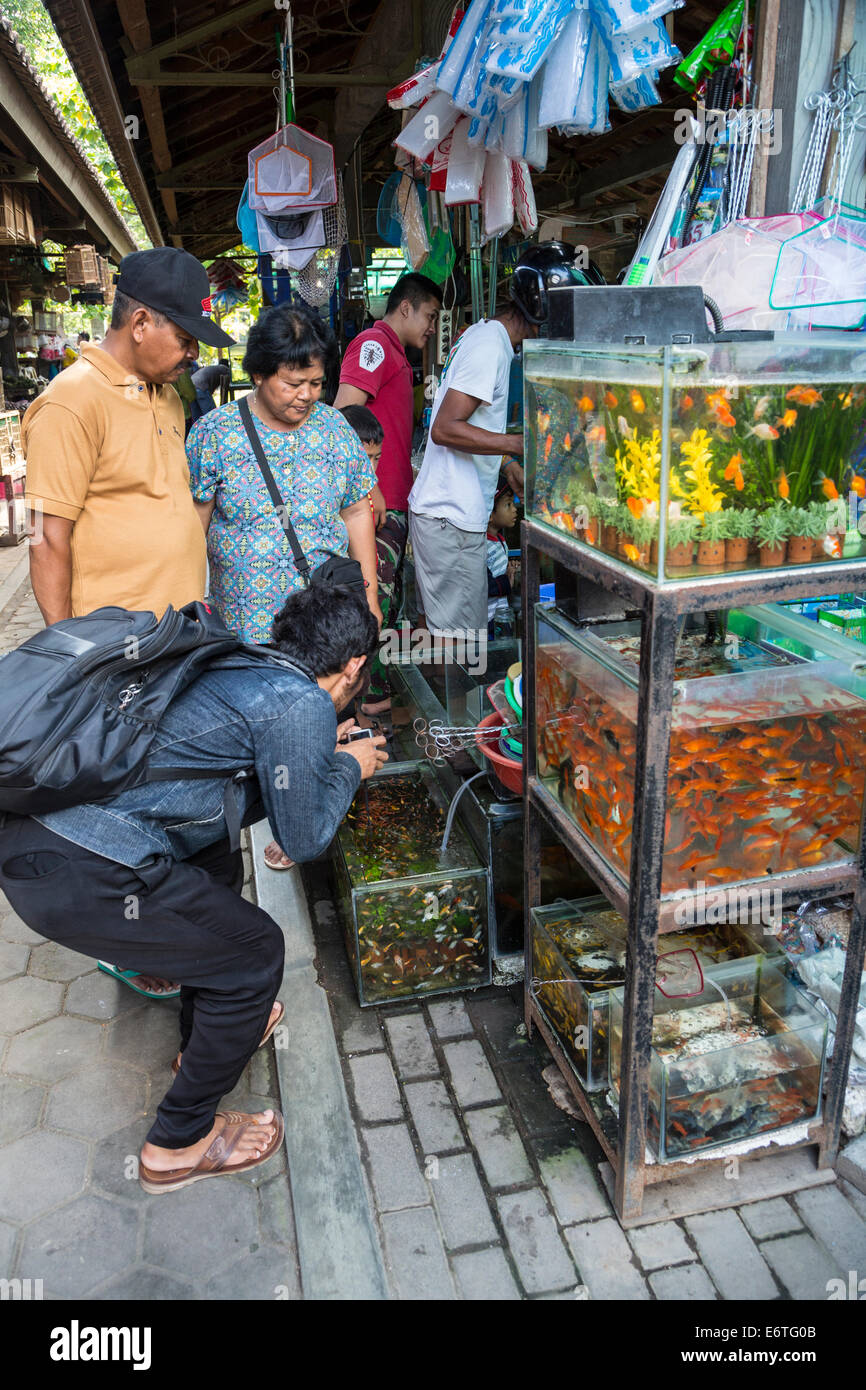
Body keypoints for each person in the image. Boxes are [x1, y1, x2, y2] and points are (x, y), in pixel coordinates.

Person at [0, 584, 387, 1194]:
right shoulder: (300, 705)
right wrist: (348, 766)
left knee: (218, 876)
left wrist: (318, 753)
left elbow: (231, 772)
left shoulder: (239, 663)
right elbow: (306, 836)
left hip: (36, 845)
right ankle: (176, 1145)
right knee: (255, 952)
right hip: (83, 867)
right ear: (355, 666)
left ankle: (209, 1043)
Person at [23, 245, 235, 1000]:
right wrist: (72, 665)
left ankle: (175, 931)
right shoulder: (71, 402)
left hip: (175, 641)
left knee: (171, 797)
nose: (189, 357)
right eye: (184, 339)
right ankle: (131, 944)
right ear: (139, 321)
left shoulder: (167, 395)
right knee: (121, 805)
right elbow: (49, 543)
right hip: (115, 659)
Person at [187, 303, 380, 871]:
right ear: (261, 373)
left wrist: (368, 595)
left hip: (325, 621)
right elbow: (191, 531)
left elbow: (358, 514)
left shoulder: (335, 430)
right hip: (250, 627)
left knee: (327, 715)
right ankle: (273, 812)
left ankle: (306, 813)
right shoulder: (216, 434)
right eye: (293, 382)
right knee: (263, 729)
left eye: (317, 382)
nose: (307, 395)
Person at [408, 243, 584, 638]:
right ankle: (454, 700)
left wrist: (507, 465)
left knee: (445, 636)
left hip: (447, 516)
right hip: (449, 518)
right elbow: (446, 428)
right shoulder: (490, 347)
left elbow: (466, 421)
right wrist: (518, 444)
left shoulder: (492, 341)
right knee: (458, 645)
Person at [334, 272, 442, 714]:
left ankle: (371, 707)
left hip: (392, 499)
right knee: (370, 605)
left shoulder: (395, 353)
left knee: (386, 606)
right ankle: (366, 708)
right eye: (430, 316)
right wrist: (369, 486)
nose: (432, 327)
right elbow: (342, 414)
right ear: (405, 308)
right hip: (376, 503)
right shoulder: (375, 345)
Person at [486, 477, 518, 636]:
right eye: (508, 505)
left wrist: (509, 570)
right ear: (490, 515)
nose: (514, 509)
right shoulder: (482, 546)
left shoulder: (500, 540)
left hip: (501, 613)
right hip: (488, 620)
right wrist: (507, 582)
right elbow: (485, 585)